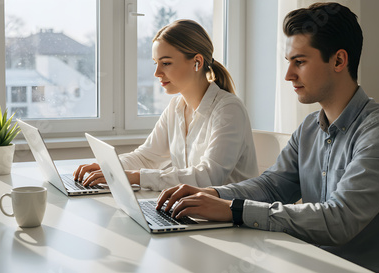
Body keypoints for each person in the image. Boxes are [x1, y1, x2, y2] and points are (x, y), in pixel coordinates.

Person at [156, 3, 379, 272]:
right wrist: (211, 194)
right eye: (289, 62)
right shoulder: (309, 129)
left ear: (339, 60)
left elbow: (340, 220)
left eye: (300, 62)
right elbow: (272, 187)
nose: (288, 75)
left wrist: (233, 209)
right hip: (311, 262)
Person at [74, 19, 258, 191]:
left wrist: (136, 177)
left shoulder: (229, 110)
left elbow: (208, 178)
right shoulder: (176, 107)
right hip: (192, 211)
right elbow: (146, 157)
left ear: (197, 62)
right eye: (156, 63)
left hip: (231, 218)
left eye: (166, 63)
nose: (157, 73)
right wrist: (107, 166)